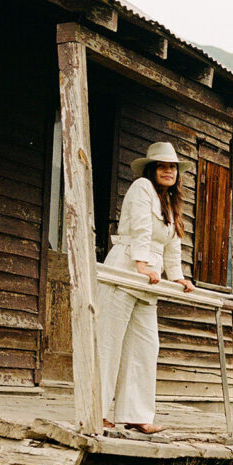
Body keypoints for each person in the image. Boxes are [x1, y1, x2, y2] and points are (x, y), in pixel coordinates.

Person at [97, 141, 195, 434]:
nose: (169, 171)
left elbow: (172, 243)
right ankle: (96, 410)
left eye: (173, 167)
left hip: (150, 280)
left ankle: (136, 415)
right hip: (127, 268)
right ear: (152, 169)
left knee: (145, 346)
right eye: (163, 166)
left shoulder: (170, 202)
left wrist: (177, 276)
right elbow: (140, 227)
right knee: (109, 343)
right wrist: (140, 263)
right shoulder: (142, 188)